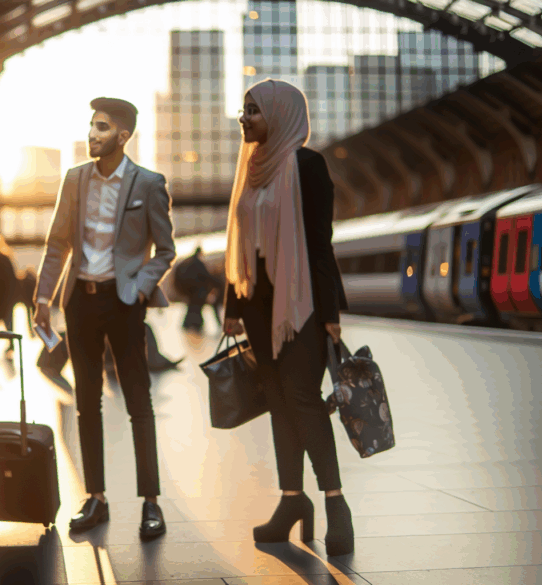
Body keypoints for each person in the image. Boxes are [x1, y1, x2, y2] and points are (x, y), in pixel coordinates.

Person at [33, 97, 175, 540]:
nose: (92, 134)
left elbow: (165, 250)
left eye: (102, 127)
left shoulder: (149, 183)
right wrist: (43, 298)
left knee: (138, 401)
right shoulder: (75, 179)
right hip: (81, 302)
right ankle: (96, 497)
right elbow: (57, 244)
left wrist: (140, 286)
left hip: (124, 302)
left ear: (123, 135)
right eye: (92, 125)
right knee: (87, 401)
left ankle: (151, 502)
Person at [222, 79, 354, 555]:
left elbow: (320, 243)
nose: (244, 118)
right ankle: (291, 500)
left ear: (279, 114)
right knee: (278, 402)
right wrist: (232, 307)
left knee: (302, 398)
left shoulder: (307, 165)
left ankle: (336, 503)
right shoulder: (251, 167)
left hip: (301, 304)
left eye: (253, 110)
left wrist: (331, 313)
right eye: (244, 110)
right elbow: (239, 240)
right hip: (257, 306)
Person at [178, 246, 221, 332]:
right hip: (198, 292)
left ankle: (189, 325)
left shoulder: (189, 262)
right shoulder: (198, 263)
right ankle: (195, 326)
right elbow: (206, 276)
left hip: (191, 292)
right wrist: (218, 284)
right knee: (196, 309)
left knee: (192, 309)